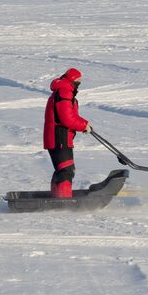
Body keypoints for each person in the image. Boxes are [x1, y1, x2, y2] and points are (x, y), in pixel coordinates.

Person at [44, 68, 92, 198]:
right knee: (66, 170)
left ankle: (58, 196)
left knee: (62, 169)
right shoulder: (65, 91)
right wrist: (83, 125)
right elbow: (67, 118)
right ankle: (63, 201)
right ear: (73, 80)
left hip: (58, 136)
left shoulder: (63, 90)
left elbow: (69, 116)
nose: (79, 85)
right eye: (78, 82)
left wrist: (85, 124)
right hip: (59, 137)